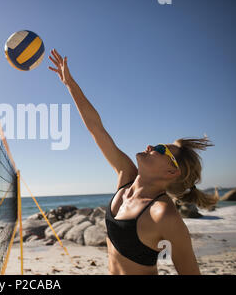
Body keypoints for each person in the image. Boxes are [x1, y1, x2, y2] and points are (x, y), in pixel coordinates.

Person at [48, 49, 218, 275]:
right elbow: (96, 129)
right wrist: (69, 83)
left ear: (171, 172)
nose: (151, 146)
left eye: (160, 149)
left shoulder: (163, 214)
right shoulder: (126, 175)